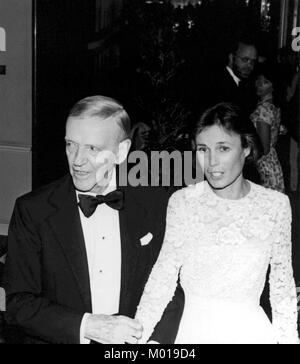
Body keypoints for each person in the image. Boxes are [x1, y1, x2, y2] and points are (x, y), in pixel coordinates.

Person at [4, 96, 184, 344]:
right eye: (71, 144)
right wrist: (87, 326)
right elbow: (18, 304)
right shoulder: (33, 211)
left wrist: (154, 344)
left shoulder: (155, 203)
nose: (77, 160)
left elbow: (174, 288)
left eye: (93, 148)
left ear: (121, 151)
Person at [135, 103, 299, 344]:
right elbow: (162, 280)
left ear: (246, 148)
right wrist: (136, 340)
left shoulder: (275, 206)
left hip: (252, 333)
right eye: (203, 149)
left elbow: (281, 290)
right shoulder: (182, 202)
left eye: (223, 148)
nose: (211, 162)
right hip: (191, 332)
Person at [250, 63, 285, 193]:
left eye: (265, 82)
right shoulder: (273, 106)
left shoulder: (263, 109)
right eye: (259, 79)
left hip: (264, 165)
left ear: (273, 86)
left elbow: (263, 148)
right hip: (273, 162)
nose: (259, 84)